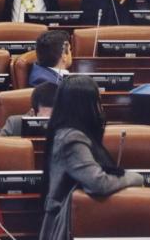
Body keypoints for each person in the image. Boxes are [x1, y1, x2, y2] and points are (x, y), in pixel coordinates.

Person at [39, 75, 144, 240]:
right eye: (97, 101)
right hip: (66, 227)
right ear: (84, 105)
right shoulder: (71, 139)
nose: (100, 108)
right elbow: (98, 183)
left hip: (80, 220)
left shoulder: (72, 132)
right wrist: (135, 178)